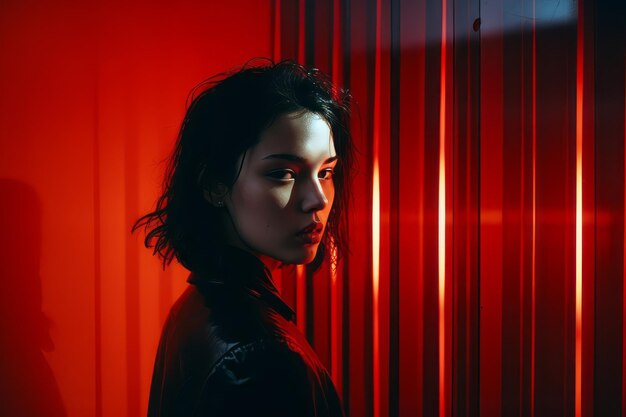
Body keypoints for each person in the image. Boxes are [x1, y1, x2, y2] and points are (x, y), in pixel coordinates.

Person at [134, 59, 353, 417]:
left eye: (326, 171)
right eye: (283, 173)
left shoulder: (199, 301)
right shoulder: (258, 358)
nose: (319, 199)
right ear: (214, 185)